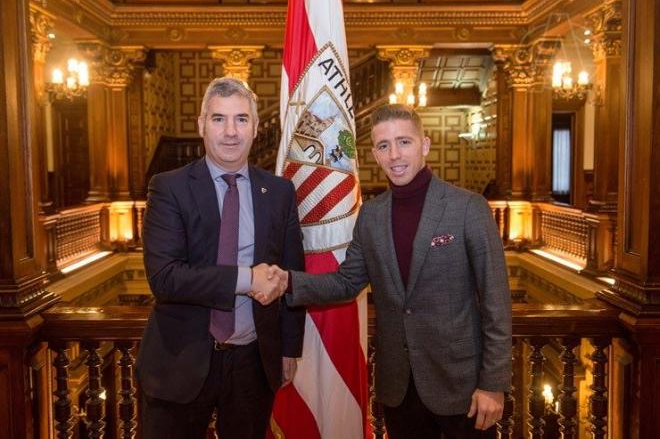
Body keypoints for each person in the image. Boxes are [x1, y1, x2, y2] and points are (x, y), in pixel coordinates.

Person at [259, 104, 512, 438]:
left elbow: (496, 301)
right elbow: (347, 282)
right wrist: (287, 280)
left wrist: (493, 384)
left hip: (461, 389)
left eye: (404, 142)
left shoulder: (468, 208)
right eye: (383, 146)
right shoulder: (371, 216)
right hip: (399, 390)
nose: (395, 154)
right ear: (375, 154)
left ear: (425, 145)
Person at [137, 77, 304, 439]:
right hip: (179, 362)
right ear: (201, 125)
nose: (231, 131)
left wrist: (289, 348)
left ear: (256, 128)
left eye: (242, 119)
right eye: (219, 119)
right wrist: (248, 279)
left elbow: (291, 272)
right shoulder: (169, 187)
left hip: (252, 363)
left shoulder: (278, 192)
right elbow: (165, 278)